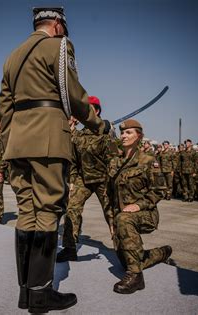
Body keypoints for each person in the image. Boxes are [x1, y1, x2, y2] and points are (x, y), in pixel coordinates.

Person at [0, 7, 110, 313]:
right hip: (48, 137)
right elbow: (72, 93)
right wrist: (100, 125)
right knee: (48, 211)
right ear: (58, 24)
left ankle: (26, 292)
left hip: (17, 142)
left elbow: (4, 107)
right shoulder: (59, 45)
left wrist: (9, 143)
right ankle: (41, 294)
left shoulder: (13, 55)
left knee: (26, 212)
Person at [107, 119, 171, 294]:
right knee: (127, 259)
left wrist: (138, 205)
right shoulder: (115, 162)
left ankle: (136, 278)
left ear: (139, 136)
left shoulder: (148, 160)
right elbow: (110, 196)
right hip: (121, 218)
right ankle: (162, 252)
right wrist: (111, 222)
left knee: (124, 219)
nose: (124, 136)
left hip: (146, 214)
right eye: (122, 133)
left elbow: (159, 190)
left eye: (129, 133)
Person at [57, 96, 117, 262]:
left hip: (103, 179)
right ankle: (69, 248)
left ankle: (123, 250)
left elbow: (113, 159)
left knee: (112, 213)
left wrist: (112, 183)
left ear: (96, 111)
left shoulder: (105, 131)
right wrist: (72, 182)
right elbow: (74, 161)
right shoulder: (79, 135)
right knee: (71, 209)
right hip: (83, 180)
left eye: (87, 108)